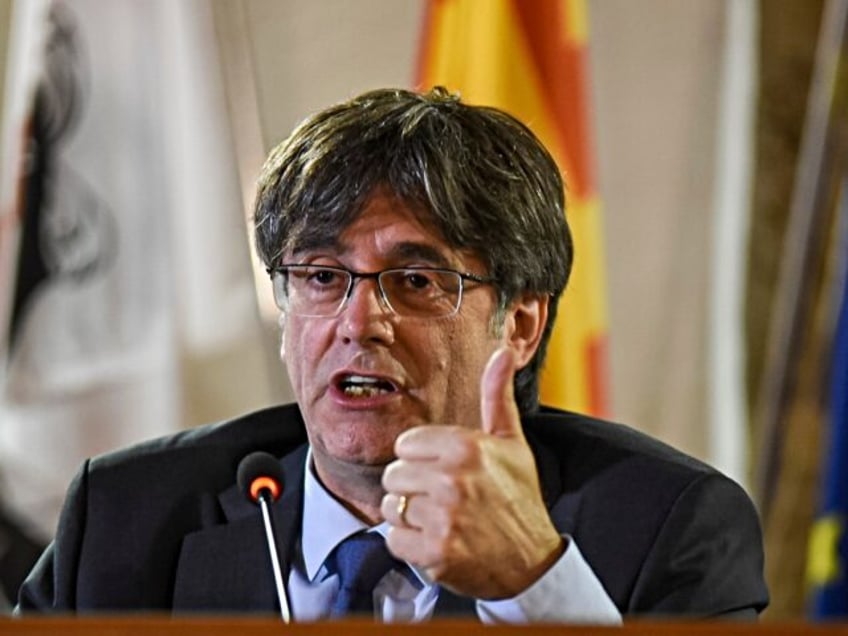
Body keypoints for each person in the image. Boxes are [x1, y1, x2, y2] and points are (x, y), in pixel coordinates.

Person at [15, 87, 768, 622]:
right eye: (318, 276)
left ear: (522, 323)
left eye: (414, 281)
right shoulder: (127, 519)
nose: (358, 322)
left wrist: (534, 587)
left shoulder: (667, 529)